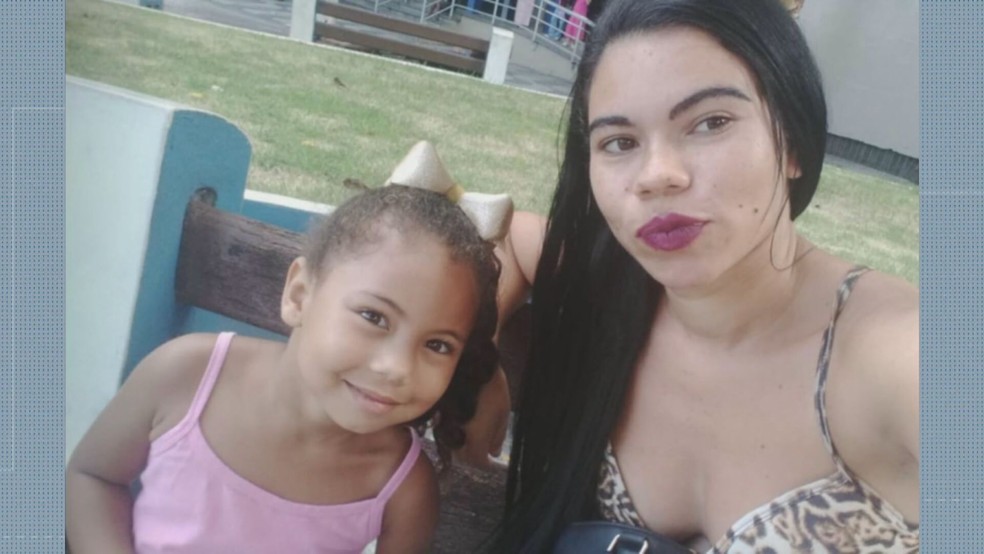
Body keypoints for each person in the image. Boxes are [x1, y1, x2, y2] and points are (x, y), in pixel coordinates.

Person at [490, 0, 919, 552]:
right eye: (619, 142)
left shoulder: (896, 352)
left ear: (793, 141)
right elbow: (505, 236)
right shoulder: (615, 289)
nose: (656, 175)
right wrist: (470, 354)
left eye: (711, 122)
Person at [65, 144, 510, 554]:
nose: (396, 367)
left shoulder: (401, 487)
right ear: (299, 294)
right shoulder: (186, 373)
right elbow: (93, 477)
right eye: (374, 317)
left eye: (437, 344)